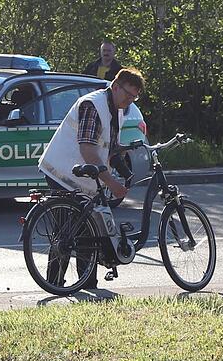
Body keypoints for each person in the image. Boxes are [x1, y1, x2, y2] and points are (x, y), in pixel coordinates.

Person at [38, 67, 145, 287]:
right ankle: (55, 283)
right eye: (128, 94)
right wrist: (112, 183)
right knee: (67, 230)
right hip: (61, 171)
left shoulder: (117, 109)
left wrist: (125, 172)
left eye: (135, 97)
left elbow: (109, 147)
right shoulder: (92, 105)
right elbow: (88, 148)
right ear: (115, 87)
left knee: (89, 227)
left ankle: (87, 282)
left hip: (83, 175)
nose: (130, 100)